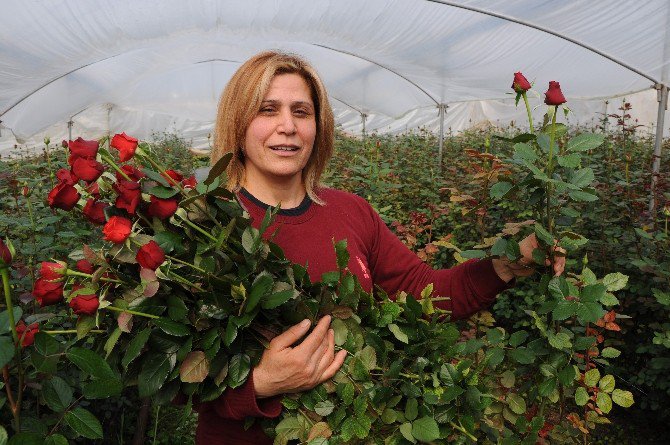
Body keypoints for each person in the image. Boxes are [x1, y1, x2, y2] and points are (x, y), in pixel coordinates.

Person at [195, 51, 565, 444]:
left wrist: (505, 265)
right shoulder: (204, 223)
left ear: (319, 126)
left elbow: (427, 293)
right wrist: (260, 383)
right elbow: (168, 370)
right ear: (238, 122)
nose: (287, 126)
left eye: (301, 112)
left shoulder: (350, 212)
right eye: (268, 110)